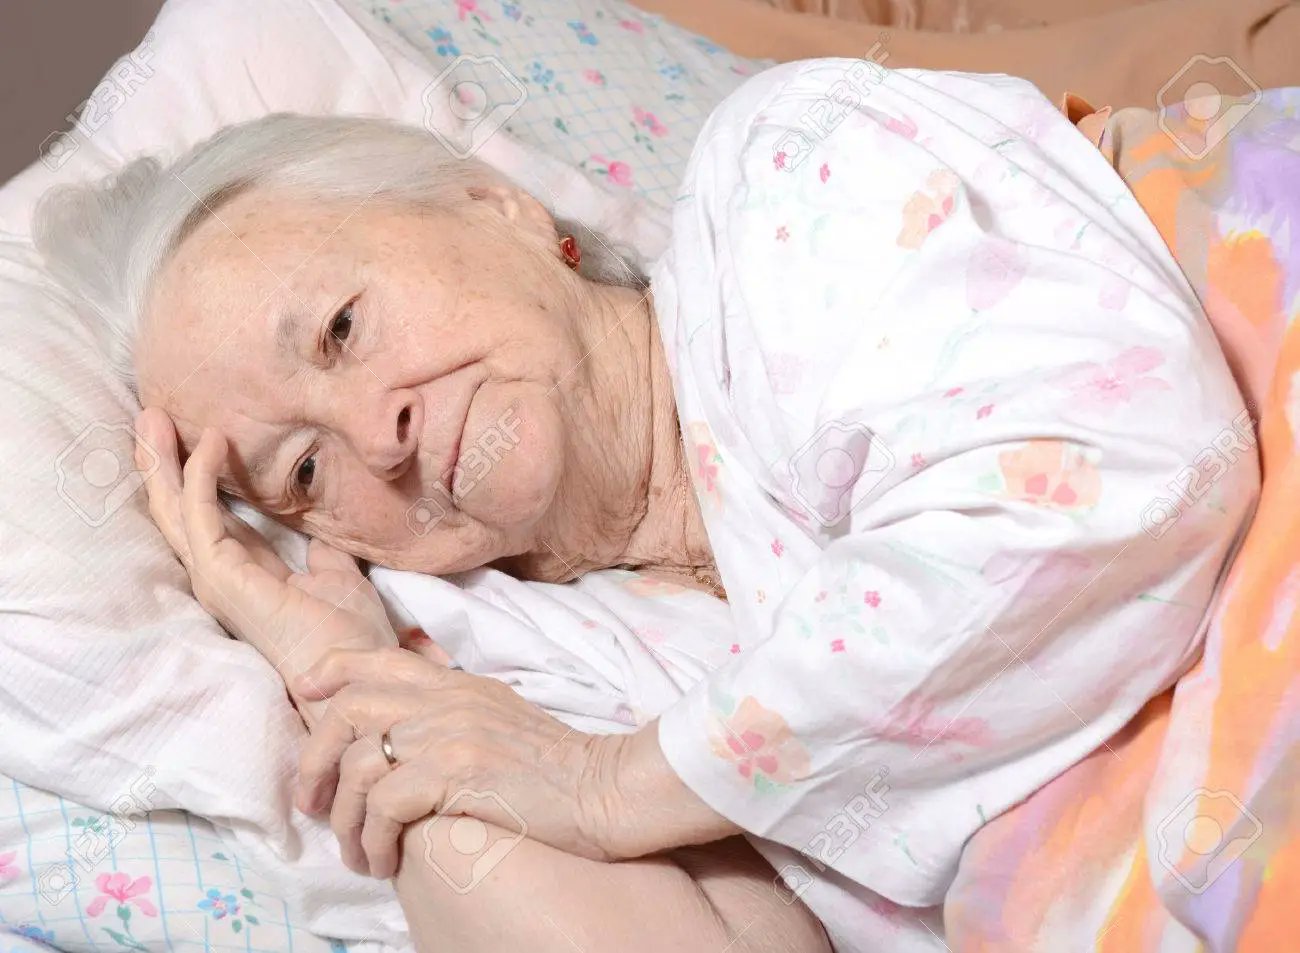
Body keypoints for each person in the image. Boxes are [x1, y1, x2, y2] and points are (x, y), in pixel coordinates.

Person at [34, 59, 1256, 952]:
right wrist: (348, 681)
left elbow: (1113, 477)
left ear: (495, 208)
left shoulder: (784, 180)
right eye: (303, 473)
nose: (374, 433)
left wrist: (613, 787)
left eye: (342, 328)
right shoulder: (534, 678)